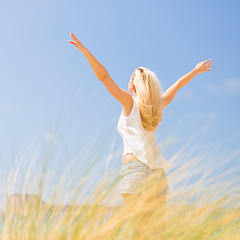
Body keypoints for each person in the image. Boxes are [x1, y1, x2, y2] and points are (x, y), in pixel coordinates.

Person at [68, 32, 213, 233]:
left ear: (134, 84)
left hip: (135, 167)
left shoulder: (129, 103)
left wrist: (84, 51)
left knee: (138, 231)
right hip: (157, 172)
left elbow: (104, 77)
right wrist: (195, 71)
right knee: (158, 231)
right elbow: (177, 85)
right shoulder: (157, 106)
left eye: (131, 77)